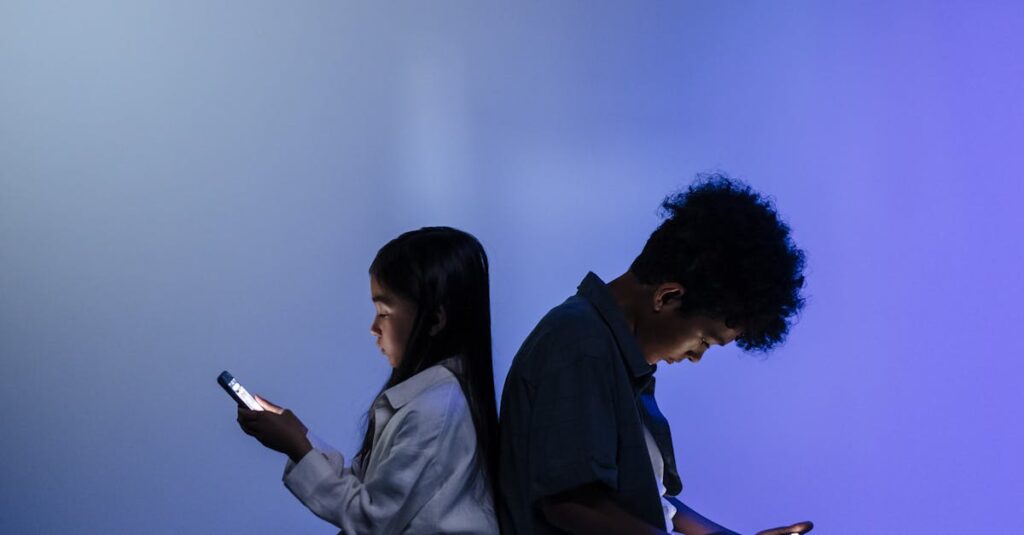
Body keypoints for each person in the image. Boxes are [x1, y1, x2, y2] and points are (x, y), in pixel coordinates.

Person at [498, 175, 813, 535]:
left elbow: (649, 499)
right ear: (666, 297)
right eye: (704, 341)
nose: (695, 357)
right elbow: (572, 505)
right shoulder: (580, 344)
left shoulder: (614, 354)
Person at [236, 226, 500, 534]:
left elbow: (370, 519)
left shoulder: (436, 408)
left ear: (435, 319)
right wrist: (299, 437)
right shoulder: (430, 399)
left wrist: (297, 447)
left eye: (384, 312)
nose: (374, 327)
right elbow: (367, 493)